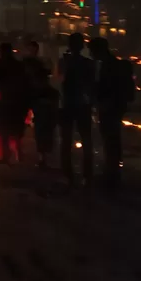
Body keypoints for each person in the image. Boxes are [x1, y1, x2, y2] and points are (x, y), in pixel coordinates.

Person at [90, 37, 134, 188]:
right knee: (112, 139)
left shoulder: (108, 66)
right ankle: (112, 171)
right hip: (114, 107)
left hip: (110, 107)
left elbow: (107, 88)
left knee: (111, 139)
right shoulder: (111, 64)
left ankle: (112, 172)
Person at [58, 33, 95, 185]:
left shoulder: (67, 62)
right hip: (79, 105)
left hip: (71, 104)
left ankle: (70, 172)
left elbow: (60, 81)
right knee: (84, 140)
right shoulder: (85, 63)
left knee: (68, 140)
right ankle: (84, 173)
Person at [0, 43, 30, 164]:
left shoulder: (5, 66)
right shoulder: (15, 65)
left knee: (8, 131)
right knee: (11, 131)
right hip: (11, 101)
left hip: (8, 101)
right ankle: (11, 156)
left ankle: (10, 156)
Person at [24, 41, 55, 167]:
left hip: (38, 100)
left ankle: (42, 155)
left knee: (41, 128)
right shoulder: (28, 63)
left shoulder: (38, 64)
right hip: (33, 98)